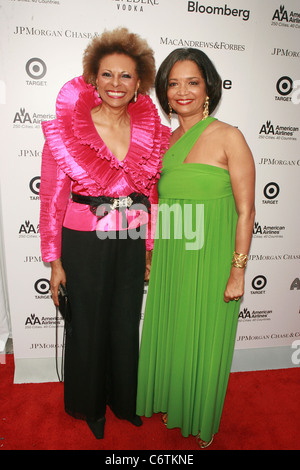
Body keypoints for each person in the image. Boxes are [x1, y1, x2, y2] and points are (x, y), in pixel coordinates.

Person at [39, 27, 170, 439]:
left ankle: (123, 401)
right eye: (108, 74)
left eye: (126, 76)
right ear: (93, 78)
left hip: (130, 239)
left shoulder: (150, 132)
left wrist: (148, 250)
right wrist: (55, 261)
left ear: (139, 83)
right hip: (83, 240)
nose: (117, 84)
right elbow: (52, 200)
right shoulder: (66, 130)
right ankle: (90, 406)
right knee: (89, 323)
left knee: (125, 320)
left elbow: (151, 195)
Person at [136, 48, 255, 448]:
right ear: (164, 92)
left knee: (206, 338)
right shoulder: (167, 142)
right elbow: (164, 205)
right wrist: (153, 253)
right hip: (173, 257)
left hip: (214, 259)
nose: (182, 91)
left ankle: (200, 417)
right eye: (173, 83)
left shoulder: (229, 136)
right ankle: (177, 401)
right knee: (176, 333)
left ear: (208, 88)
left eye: (192, 82)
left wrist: (238, 269)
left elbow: (245, 210)